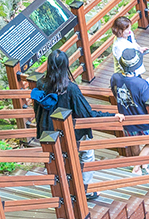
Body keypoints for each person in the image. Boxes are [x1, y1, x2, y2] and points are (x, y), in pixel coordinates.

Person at [32, 49, 124, 201]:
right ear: (65, 66)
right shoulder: (70, 88)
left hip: (49, 132)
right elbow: (86, 113)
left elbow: (37, 109)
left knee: (58, 159)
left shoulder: (41, 83)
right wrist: (111, 116)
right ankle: (85, 189)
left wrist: (40, 130)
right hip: (70, 133)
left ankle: (62, 189)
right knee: (86, 155)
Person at [109, 48, 149, 174]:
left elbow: (115, 93)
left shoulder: (115, 78)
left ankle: (142, 165)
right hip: (143, 119)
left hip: (126, 117)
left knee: (134, 142)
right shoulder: (141, 84)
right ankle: (138, 166)